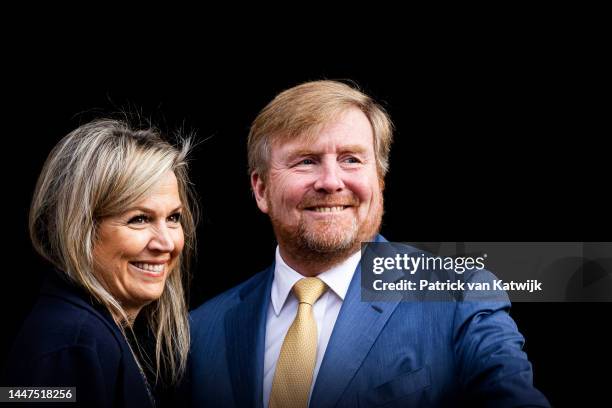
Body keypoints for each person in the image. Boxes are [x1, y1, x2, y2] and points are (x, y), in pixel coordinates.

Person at [188, 80, 550, 407]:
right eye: (306, 161)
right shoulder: (200, 332)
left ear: (379, 180)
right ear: (261, 189)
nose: (331, 182)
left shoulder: (459, 297)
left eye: (351, 159)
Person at [4, 119, 198, 407]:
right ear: (79, 228)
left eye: (173, 218)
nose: (166, 243)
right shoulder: (72, 346)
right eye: (139, 219)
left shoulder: (95, 334)